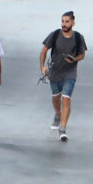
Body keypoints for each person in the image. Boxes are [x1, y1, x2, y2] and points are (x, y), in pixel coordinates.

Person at [38, 11, 87, 141]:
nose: (64, 24)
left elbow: (82, 54)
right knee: (56, 98)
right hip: (55, 72)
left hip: (70, 73)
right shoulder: (54, 35)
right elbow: (43, 51)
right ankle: (57, 114)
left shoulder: (78, 37)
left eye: (67, 22)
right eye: (62, 21)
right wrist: (42, 67)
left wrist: (75, 58)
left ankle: (63, 129)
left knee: (66, 99)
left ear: (73, 23)